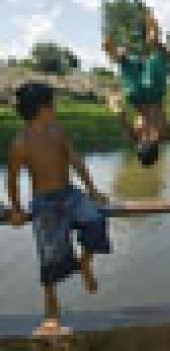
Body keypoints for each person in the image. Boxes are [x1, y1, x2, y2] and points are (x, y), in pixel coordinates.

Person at [7, 82, 110, 336]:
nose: (56, 107)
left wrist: (92, 189)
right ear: (42, 109)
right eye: (52, 103)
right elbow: (11, 180)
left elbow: (75, 159)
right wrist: (18, 210)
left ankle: (84, 263)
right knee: (49, 253)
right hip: (44, 201)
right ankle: (51, 306)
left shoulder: (57, 131)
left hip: (70, 194)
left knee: (96, 219)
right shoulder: (21, 142)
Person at [103, 5, 170, 166]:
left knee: (152, 54)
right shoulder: (147, 136)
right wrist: (112, 100)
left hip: (146, 95)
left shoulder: (163, 135)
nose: (146, 138)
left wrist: (111, 99)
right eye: (147, 142)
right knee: (152, 52)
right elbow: (119, 114)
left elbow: (120, 114)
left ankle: (119, 50)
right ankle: (147, 35)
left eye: (143, 141)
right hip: (144, 95)